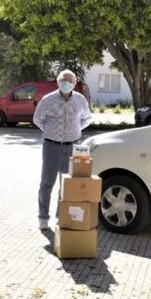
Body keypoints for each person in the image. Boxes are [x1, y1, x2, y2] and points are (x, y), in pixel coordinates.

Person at [33, 69, 93, 230]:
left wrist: (77, 129)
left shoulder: (80, 100)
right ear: (58, 82)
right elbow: (38, 119)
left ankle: (62, 215)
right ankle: (43, 217)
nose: (66, 83)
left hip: (71, 147)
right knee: (47, 183)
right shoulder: (48, 100)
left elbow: (88, 118)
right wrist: (50, 131)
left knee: (67, 185)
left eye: (69, 80)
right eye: (63, 80)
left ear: (74, 83)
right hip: (51, 146)